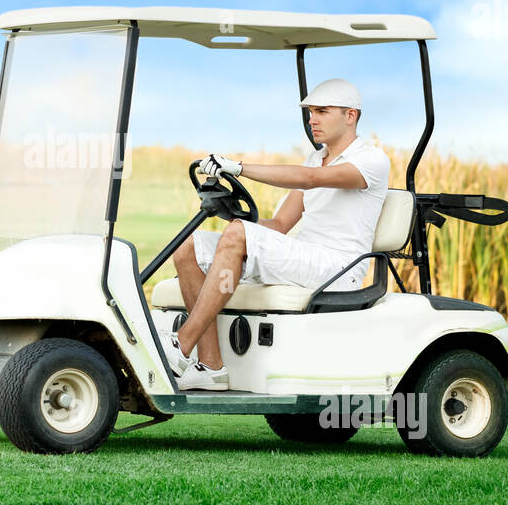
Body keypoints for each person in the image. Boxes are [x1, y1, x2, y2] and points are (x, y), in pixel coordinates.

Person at [166, 78, 391, 390]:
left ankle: (182, 341)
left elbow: (311, 180)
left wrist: (238, 168)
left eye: (322, 111)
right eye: (311, 112)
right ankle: (211, 366)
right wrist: (236, 221)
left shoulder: (371, 160)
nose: (312, 119)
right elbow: (281, 224)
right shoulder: (315, 158)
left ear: (350, 116)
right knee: (189, 248)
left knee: (237, 235)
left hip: (339, 268)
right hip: (304, 257)